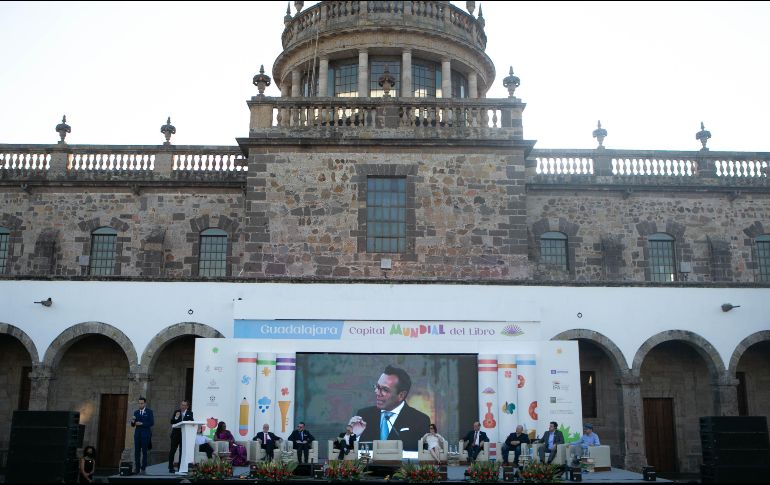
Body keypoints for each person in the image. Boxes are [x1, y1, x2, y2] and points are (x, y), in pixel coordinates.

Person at [349, 365, 431, 452]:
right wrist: (353, 435)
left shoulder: (420, 420)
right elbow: (344, 453)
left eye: (384, 389)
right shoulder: (364, 415)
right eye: (377, 387)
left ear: (401, 395)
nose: (377, 392)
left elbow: (425, 457)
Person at [168, 400, 194, 473]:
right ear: (180, 405)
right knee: (172, 451)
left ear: (187, 406)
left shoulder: (190, 413)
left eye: (185, 405)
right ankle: (170, 467)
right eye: (182, 405)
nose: (183, 406)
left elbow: (192, 422)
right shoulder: (177, 412)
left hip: (184, 435)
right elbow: (172, 422)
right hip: (176, 434)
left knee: (182, 452)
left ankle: (180, 468)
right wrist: (176, 417)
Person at [131, 396, 154, 475]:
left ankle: (143, 468)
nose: (140, 405)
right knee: (136, 452)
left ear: (145, 403)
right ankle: (137, 469)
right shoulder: (136, 412)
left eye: (142, 403)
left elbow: (151, 423)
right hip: (137, 434)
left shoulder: (149, 412)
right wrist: (133, 421)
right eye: (139, 403)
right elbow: (132, 425)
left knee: (144, 452)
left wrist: (142, 423)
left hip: (146, 434)